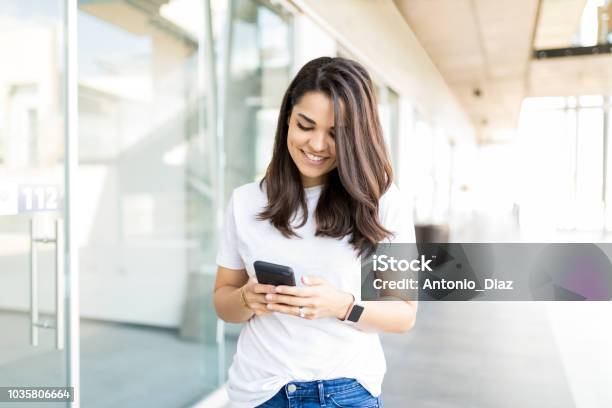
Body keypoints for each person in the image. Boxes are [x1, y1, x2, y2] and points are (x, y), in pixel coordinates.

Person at [214, 56, 418, 408]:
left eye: (336, 134)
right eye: (305, 125)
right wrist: (248, 298)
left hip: (346, 393)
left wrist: (342, 306)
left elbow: (403, 313)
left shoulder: (382, 202)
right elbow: (223, 302)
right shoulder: (245, 202)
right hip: (259, 393)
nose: (316, 145)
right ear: (287, 121)